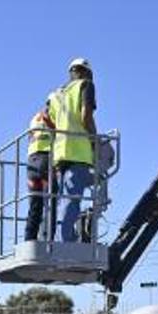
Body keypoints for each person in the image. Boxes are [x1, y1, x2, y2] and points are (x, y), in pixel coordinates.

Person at [49, 57, 97, 242]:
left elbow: (51, 123)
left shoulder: (57, 94)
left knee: (62, 199)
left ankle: (57, 236)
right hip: (79, 151)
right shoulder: (86, 85)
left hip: (60, 153)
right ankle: (65, 240)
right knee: (72, 199)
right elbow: (86, 116)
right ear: (87, 73)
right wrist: (95, 138)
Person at [24, 105, 57, 241]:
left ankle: (29, 237)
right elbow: (56, 130)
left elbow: (30, 136)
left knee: (35, 204)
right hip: (45, 158)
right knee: (51, 201)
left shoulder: (34, 118)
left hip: (32, 162)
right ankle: (49, 238)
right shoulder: (49, 116)